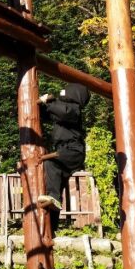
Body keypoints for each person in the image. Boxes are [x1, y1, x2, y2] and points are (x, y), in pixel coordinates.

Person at [37, 84, 91, 226]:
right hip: (64, 153)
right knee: (55, 179)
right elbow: (50, 114)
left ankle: (53, 197)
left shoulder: (74, 110)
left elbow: (64, 112)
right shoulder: (62, 111)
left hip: (73, 151)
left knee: (50, 163)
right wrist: (41, 106)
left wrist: (50, 101)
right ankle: (52, 223)